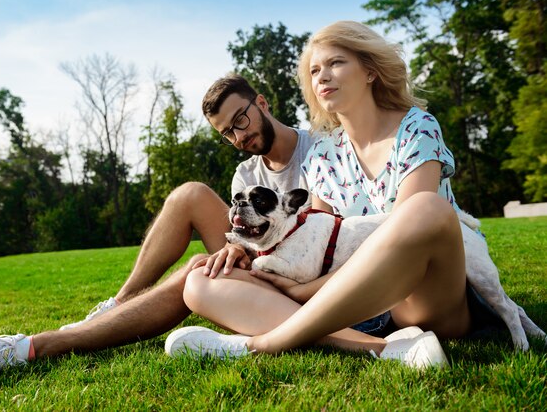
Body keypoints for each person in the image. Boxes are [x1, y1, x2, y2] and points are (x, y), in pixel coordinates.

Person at [0, 74, 318, 383]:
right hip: (263, 259)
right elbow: (246, 232)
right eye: (227, 134)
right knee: (190, 195)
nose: (239, 137)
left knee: (200, 266)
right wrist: (238, 246)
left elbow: (320, 239)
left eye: (240, 121)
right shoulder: (246, 173)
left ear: (262, 103)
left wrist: (243, 253)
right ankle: (117, 304)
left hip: (301, 274)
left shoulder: (317, 151)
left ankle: (34, 347)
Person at [165, 20, 498, 367]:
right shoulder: (322, 154)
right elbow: (321, 244)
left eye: (336, 63)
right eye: (314, 70)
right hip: (354, 309)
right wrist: (252, 258)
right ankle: (386, 349)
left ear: (370, 71)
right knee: (200, 283)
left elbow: (404, 247)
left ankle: (263, 343)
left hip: (421, 299)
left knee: (424, 210)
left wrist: (301, 293)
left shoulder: (416, 128)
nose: (322, 76)